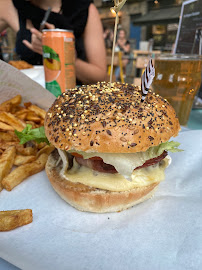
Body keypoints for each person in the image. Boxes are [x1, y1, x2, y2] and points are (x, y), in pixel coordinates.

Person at [0, 0, 107, 85]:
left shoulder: (83, 9)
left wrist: (64, 55)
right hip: (27, 100)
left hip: (72, 100)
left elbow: (100, 77)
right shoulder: (10, 5)